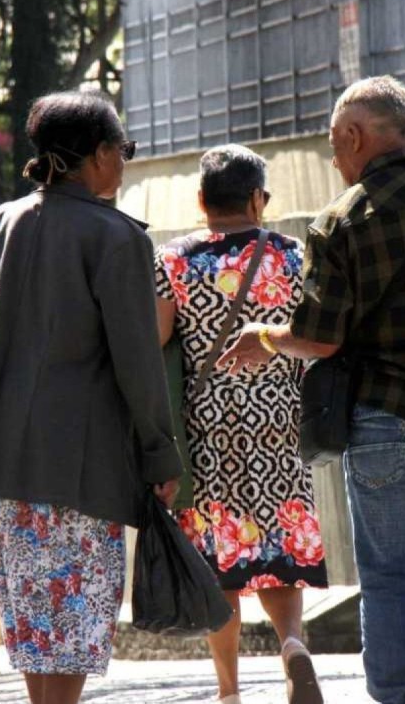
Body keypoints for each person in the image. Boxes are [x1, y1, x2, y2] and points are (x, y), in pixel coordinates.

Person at [219, 75, 405, 704]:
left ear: (355, 135)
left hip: (383, 420)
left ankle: (402, 692)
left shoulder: (340, 221)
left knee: (389, 573)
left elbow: (321, 341)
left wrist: (266, 337)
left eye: (333, 142)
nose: (333, 157)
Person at [0, 90, 183, 704]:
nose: (125, 162)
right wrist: (160, 455)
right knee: (72, 627)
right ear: (95, 156)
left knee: (38, 629)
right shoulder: (117, 238)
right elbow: (139, 364)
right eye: (124, 150)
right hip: (82, 466)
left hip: (2, 463)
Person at [155, 144, 328, 704]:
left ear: (202, 200)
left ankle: (229, 689)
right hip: (278, 420)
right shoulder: (292, 256)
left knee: (219, 557)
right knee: (280, 542)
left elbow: (155, 344)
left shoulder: (174, 261)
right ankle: (293, 645)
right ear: (259, 200)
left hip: (205, 428)